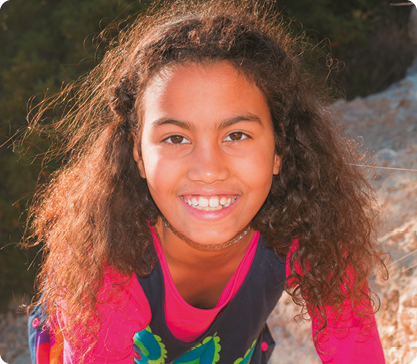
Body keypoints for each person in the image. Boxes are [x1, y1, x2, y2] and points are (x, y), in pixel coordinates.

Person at [24, 1, 387, 363]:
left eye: (237, 135)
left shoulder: (309, 225)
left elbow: (353, 340)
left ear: (280, 149)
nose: (208, 169)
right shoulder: (105, 261)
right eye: (176, 138)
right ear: (137, 153)